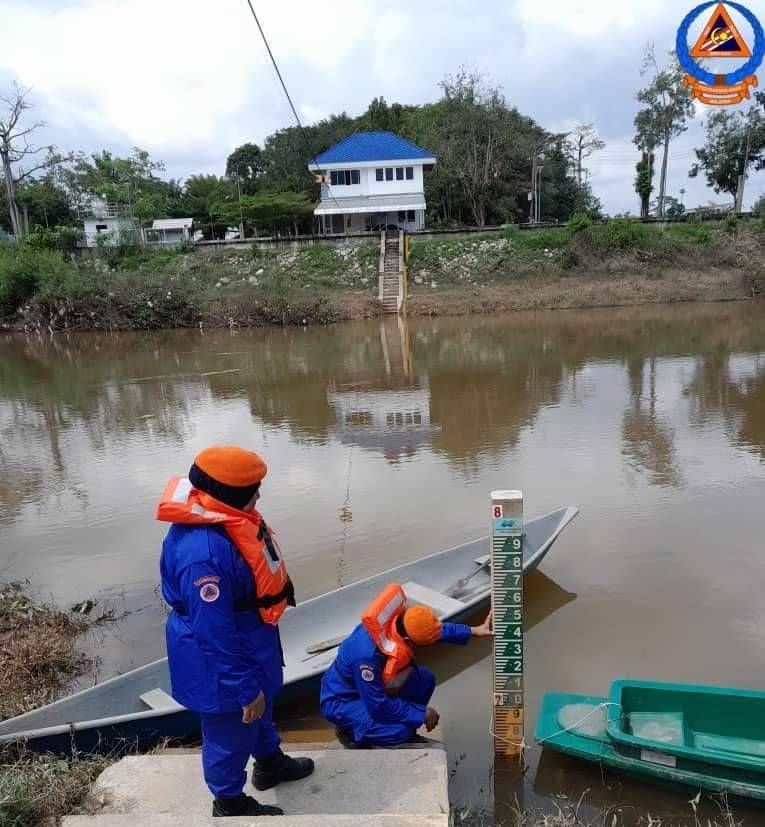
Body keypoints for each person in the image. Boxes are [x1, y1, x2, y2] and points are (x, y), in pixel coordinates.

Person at [157, 445, 314, 818]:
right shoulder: (204, 553)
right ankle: (228, 801)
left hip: (249, 638)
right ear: (230, 494)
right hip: (220, 658)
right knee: (232, 726)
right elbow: (211, 630)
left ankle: (270, 763)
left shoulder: (225, 518)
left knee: (262, 708)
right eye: (253, 489)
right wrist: (243, 686)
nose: (258, 495)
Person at [320, 583, 493, 748]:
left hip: (368, 689)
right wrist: (420, 713)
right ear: (408, 640)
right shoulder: (366, 658)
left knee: (424, 679)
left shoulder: (398, 621)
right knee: (399, 731)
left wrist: (472, 631)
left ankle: (397, 724)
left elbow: (432, 630)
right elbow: (378, 704)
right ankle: (350, 733)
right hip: (343, 699)